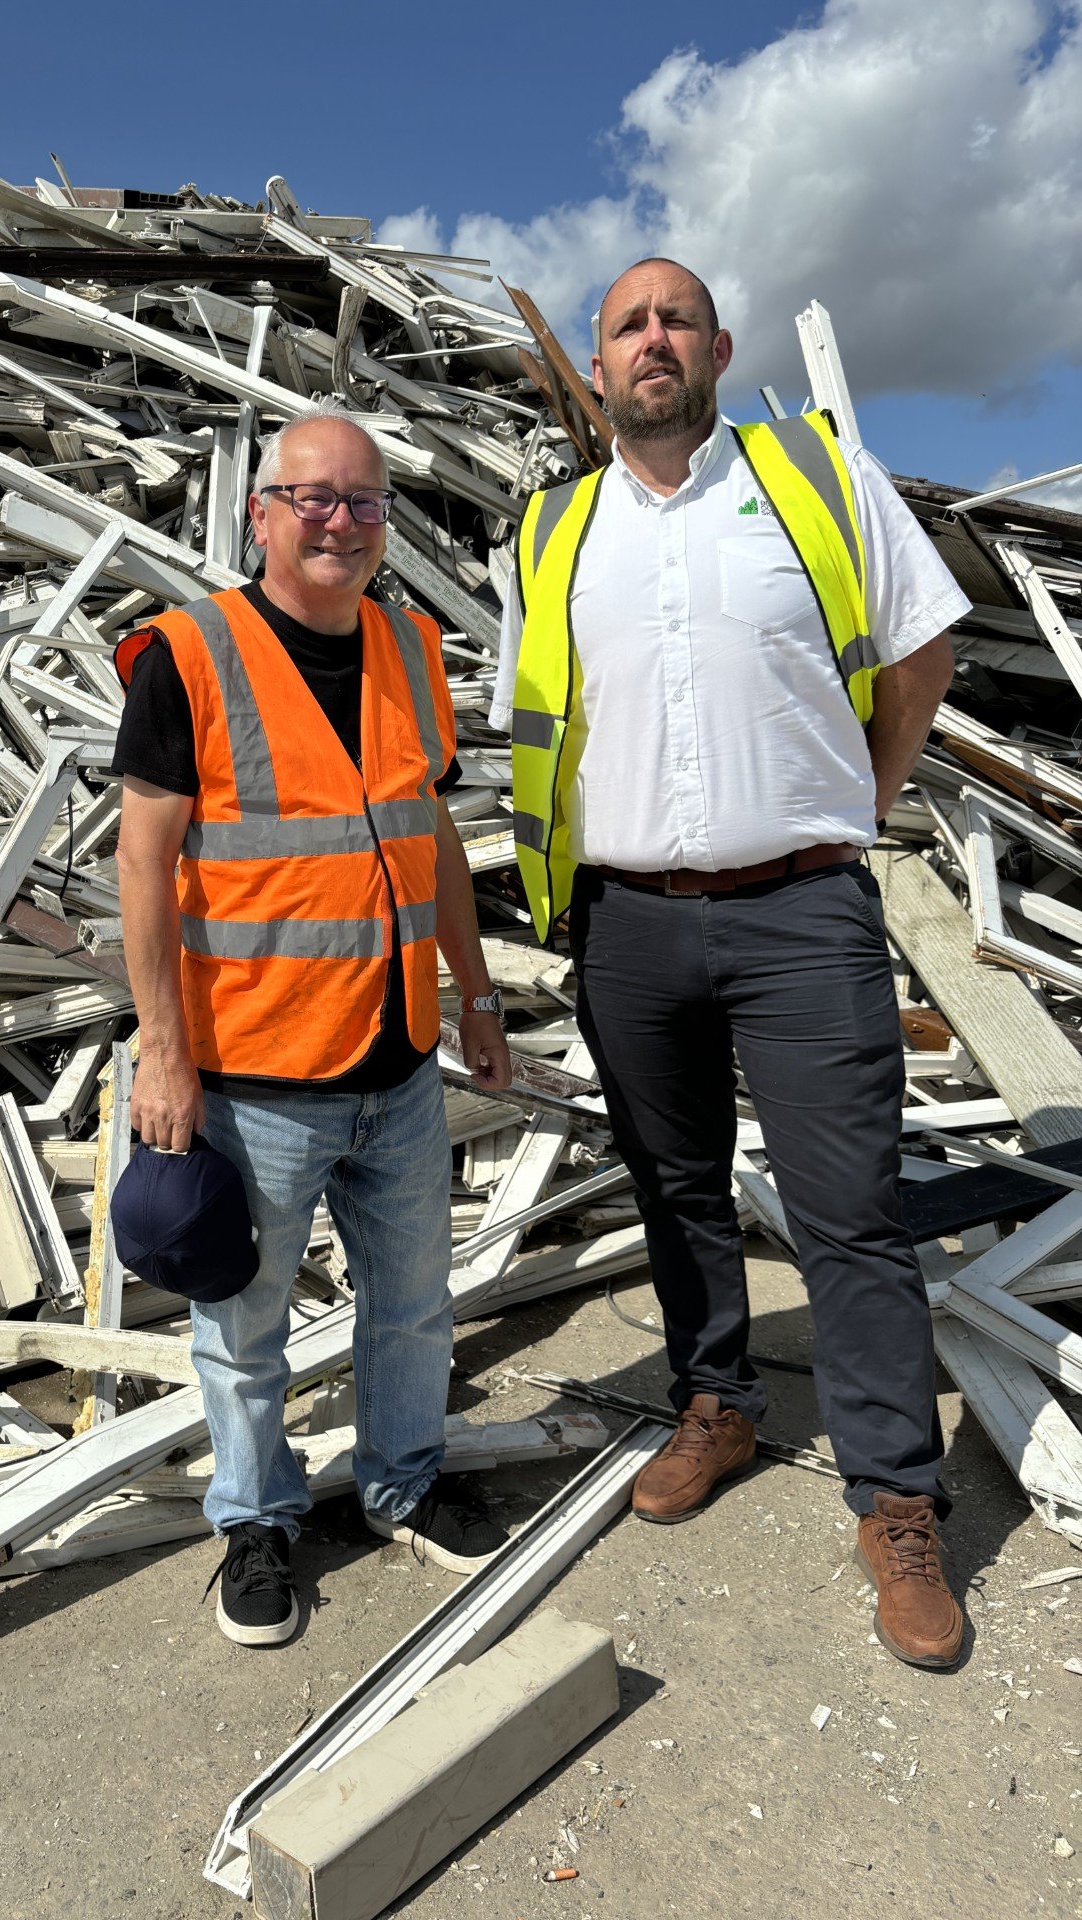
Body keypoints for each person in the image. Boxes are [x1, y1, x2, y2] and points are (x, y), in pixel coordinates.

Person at [490, 259, 970, 1670]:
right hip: (629, 920)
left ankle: (898, 1499)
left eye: (676, 319)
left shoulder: (815, 477)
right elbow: (539, 717)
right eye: (627, 326)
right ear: (596, 370)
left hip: (801, 912)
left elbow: (925, 648)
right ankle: (719, 1403)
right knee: (676, 1185)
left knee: (850, 1211)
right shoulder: (553, 531)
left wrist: (861, 799)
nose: (653, 341)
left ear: (718, 347)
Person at [114, 398, 511, 1647]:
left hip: (398, 1063)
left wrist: (476, 992)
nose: (340, 522)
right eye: (314, 499)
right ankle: (256, 1520)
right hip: (254, 1077)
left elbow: (431, 835)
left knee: (415, 1300)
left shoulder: (410, 646)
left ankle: (405, 1480)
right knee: (244, 1328)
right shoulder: (190, 654)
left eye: (363, 501)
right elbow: (142, 863)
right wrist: (163, 1053)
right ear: (262, 514)